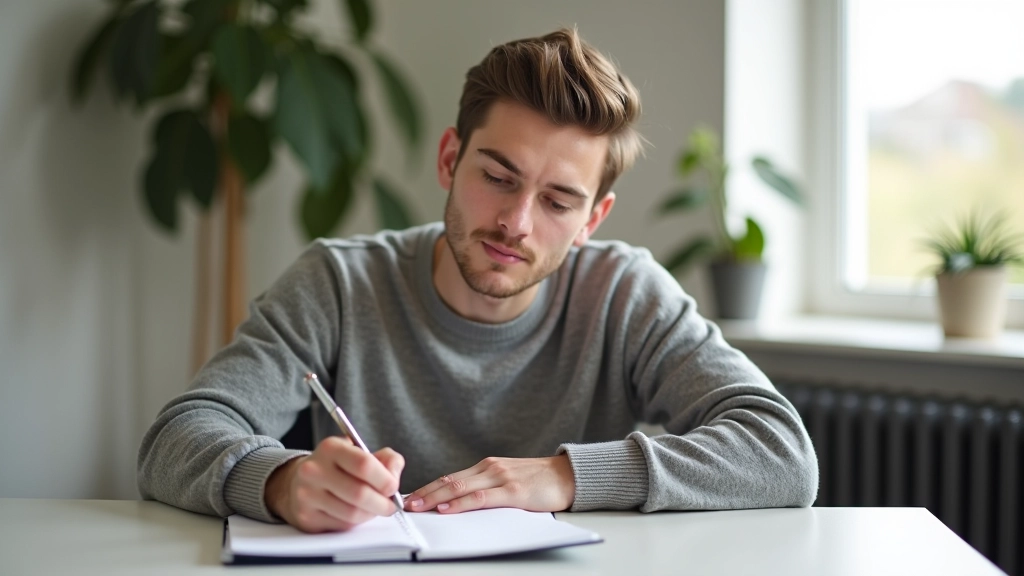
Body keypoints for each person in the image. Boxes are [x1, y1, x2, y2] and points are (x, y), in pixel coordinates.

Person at [138, 27, 818, 534]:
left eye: (557, 202)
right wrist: (281, 480)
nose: (516, 222)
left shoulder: (625, 294)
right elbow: (177, 438)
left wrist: (563, 476)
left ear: (593, 219)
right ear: (448, 158)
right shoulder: (338, 283)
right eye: (497, 177)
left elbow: (782, 452)